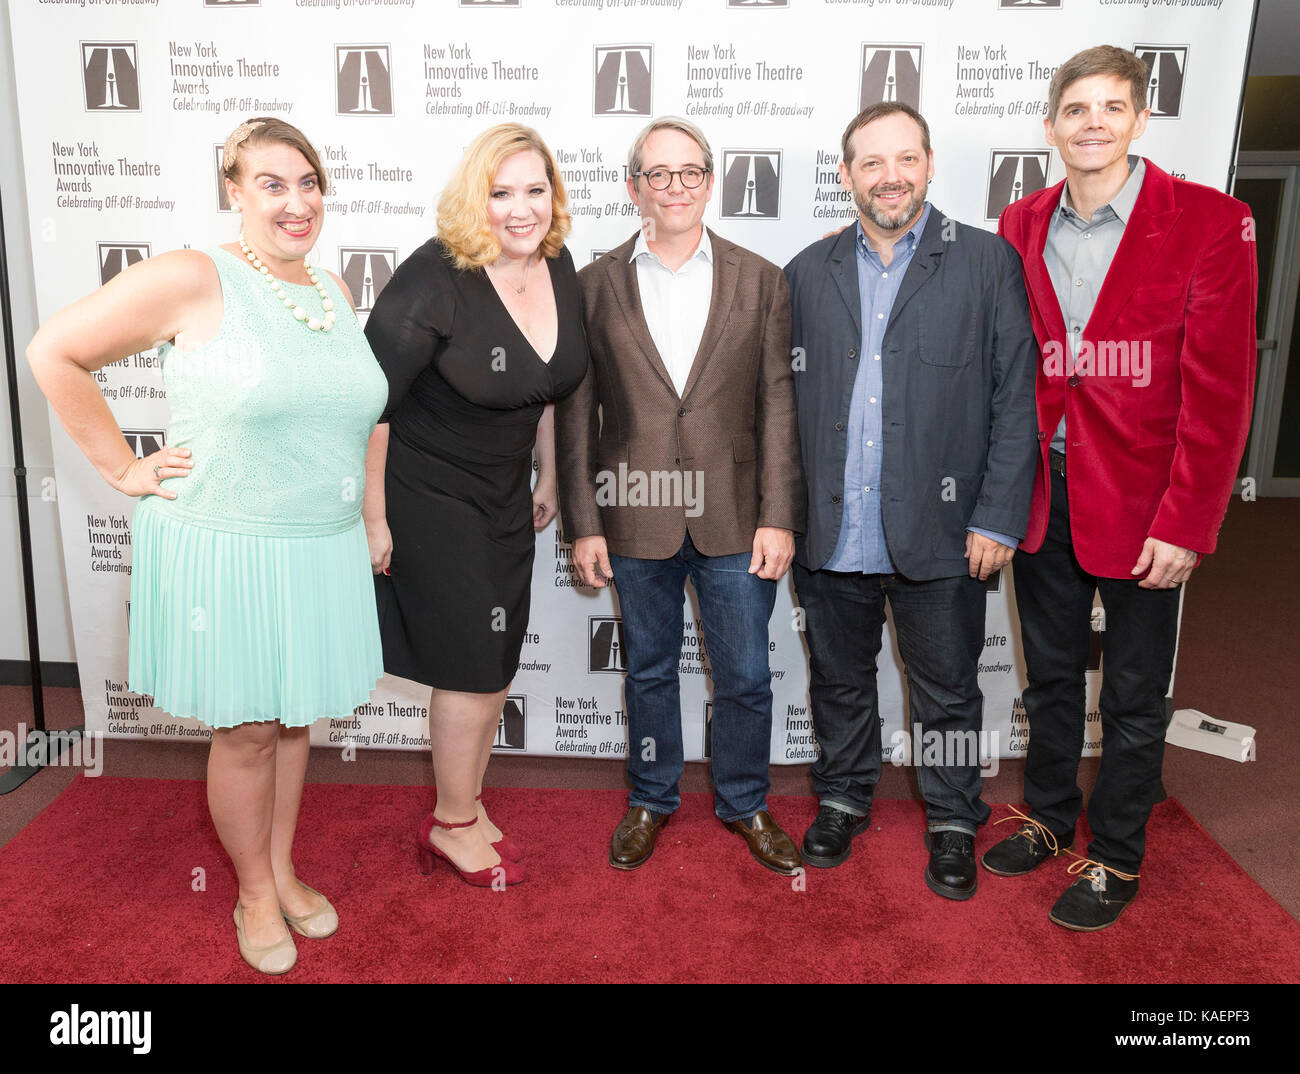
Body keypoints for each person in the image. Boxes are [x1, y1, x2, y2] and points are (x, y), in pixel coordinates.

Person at [27, 118, 387, 974]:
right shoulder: (197, 275)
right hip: (227, 546)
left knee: (296, 720)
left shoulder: (332, 288)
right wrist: (122, 467)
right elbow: (54, 351)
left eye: (308, 182)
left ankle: (283, 868)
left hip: (315, 544)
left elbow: (363, 420)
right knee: (251, 731)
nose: (295, 202)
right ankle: (253, 891)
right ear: (234, 189)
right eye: (271, 183)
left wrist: (368, 518)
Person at [986, 45, 1257, 930]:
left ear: (1141, 120)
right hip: (1044, 494)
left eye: (1112, 107)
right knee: (1052, 679)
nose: (1092, 123)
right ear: (1051, 125)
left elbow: (1220, 392)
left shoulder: (1211, 223)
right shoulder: (1020, 223)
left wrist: (1188, 523)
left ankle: (1116, 857)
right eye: (1075, 109)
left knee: (1135, 694)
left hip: (1149, 504)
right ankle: (1050, 817)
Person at [784, 102, 1038, 899]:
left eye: (905, 159)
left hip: (945, 527)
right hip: (833, 524)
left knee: (950, 689)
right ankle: (841, 796)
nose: (889, 175)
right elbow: (777, 401)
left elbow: (1015, 394)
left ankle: (955, 818)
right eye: (870, 162)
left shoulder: (988, 263)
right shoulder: (806, 272)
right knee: (838, 677)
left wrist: (997, 512)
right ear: (845, 175)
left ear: (928, 165)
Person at [555, 116, 805, 876]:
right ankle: (651, 797)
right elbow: (575, 413)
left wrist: (778, 515)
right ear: (634, 187)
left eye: (689, 171)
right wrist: (583, 523)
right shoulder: (593, 284)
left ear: (710, 180)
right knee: (650, 670)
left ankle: (746, 801)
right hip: (633, 513)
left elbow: (777, 406)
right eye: (657, 174)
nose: (675, 186)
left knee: (747, 678)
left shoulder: (761, 278)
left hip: (736, 517)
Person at [363, 125, 587, 888]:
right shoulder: (434, 278)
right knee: (467, 662)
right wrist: (372, 516)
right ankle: (452, 823)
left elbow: (550, 384)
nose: (519, 209)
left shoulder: (558, 265)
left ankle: (467, 801)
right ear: (473, 198)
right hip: (427, 493)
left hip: (503, 492)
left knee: (494, 657)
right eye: (500, 192)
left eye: (534, 189)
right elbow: (371, 404)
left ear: (553, 194)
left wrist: (549, 474)